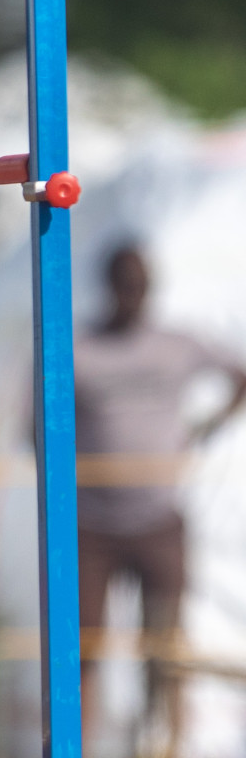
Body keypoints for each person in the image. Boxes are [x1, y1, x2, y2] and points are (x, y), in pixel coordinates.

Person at [74, 244, 246, 751]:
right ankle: (75, 743)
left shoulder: (179, 344)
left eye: (141, 284)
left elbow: (238, 375)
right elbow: (34, 423)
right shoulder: (79, 346)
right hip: (92, 527)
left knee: (166, 649)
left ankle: (165, 746)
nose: (133, 295)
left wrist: (206, 428)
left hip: (158, 523)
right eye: (125, 284)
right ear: (109, 286)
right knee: (81, 650)